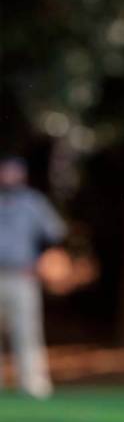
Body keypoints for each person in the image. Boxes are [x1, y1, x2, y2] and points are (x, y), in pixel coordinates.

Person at [0, 156, 66, 397]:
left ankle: (33, 385)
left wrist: (42, 261)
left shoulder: (33, 202)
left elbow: (56, 235)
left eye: (14, 172)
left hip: (22, 276)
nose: (9, 177)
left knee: (27, 331)